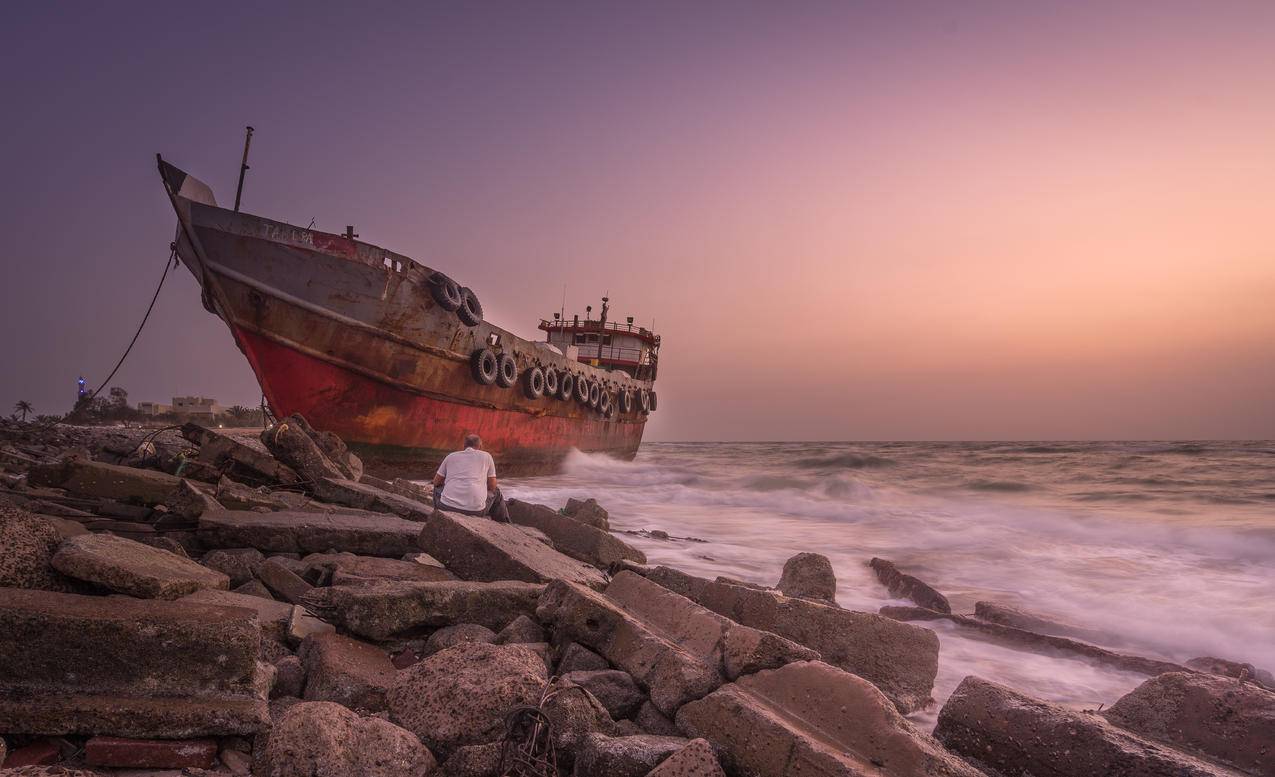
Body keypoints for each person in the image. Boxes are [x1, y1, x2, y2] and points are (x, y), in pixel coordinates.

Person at [432, 433, 510, 522]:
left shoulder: (451, 456)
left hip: (446, 507)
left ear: (464, 446)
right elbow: (492, 486)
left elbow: (436, 482)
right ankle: (504, 524)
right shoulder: (487, 456)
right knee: (496, 492)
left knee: (437, 487)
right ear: (480, 446)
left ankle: (436, 519)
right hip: (476, 512)